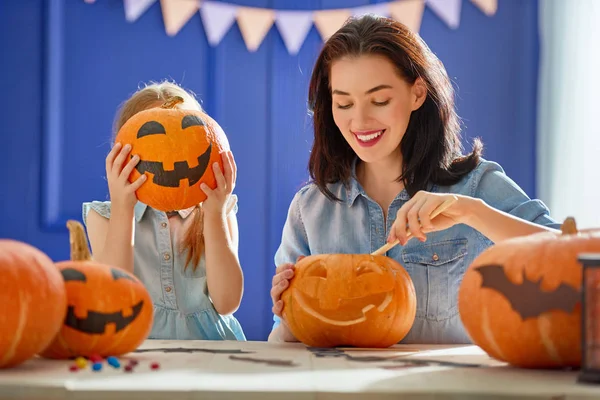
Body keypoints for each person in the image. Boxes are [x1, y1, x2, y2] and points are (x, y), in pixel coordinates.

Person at [268, 15, 561, 344]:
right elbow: (285, 345)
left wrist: (472, 212)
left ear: (417, 93)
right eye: (344, 103)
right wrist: (290, 313)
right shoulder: (310, 210)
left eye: (379, 100)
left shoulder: (475, 187)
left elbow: (571, 259)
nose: (360, 121)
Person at [82, 81, 246, 341]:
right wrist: (123, 209)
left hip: (213, 353)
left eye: (185, 140)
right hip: (138, 354)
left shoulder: (218, 213)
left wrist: (214, 214)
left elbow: (227, 302)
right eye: (156, 143)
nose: (172, 155)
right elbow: (115, 297)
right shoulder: (103, 217)